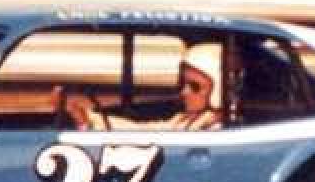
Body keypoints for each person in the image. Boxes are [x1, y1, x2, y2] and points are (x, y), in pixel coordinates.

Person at [69, 42, 224, 131]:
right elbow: (145, 131)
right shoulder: (189, 119)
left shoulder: (212, 128)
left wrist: (88, 122)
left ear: (216, 91)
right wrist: (89, 117)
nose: (184, 92)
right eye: (183, 83)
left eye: (195, 87)